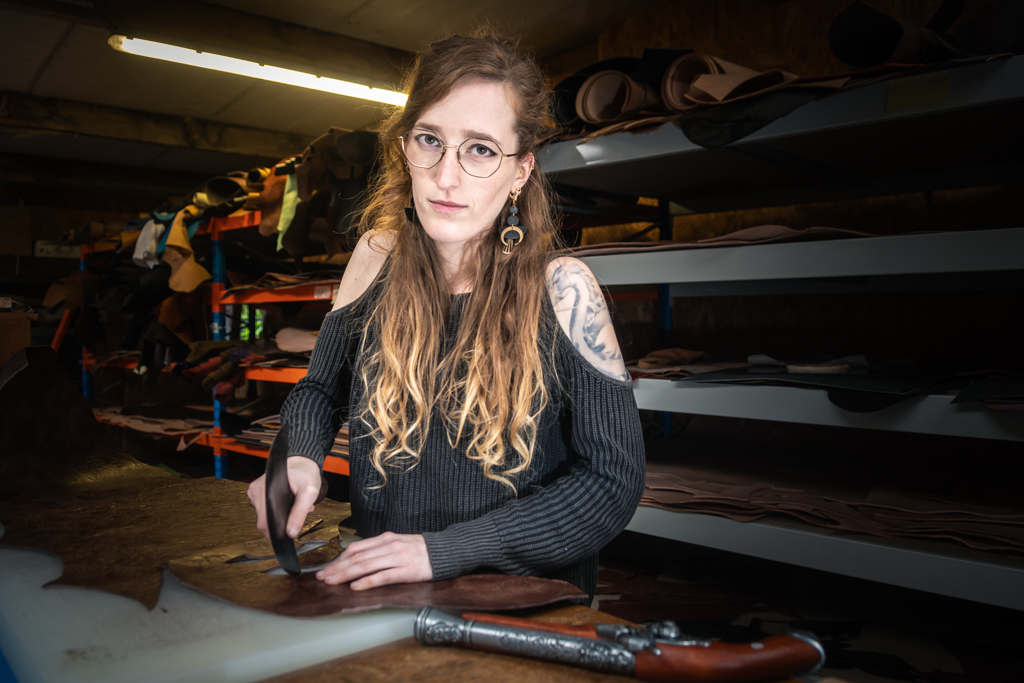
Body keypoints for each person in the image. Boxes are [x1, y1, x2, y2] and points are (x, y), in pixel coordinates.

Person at [247, 32, 645, 601]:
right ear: (405, 146)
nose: (446, 175)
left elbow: (611, 483)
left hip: (520, 607)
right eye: (430, 140)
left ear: (521, 171)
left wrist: (443, 551)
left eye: (480, 149)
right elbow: (319, 390)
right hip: (388, 593)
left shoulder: (563, 289)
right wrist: (301, 457)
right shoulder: (375, 257)